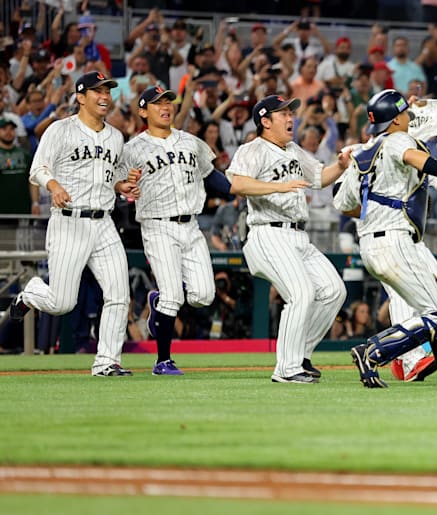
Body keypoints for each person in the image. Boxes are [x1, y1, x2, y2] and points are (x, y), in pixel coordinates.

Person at [341, 89, 437, 388]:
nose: (409, 117)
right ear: (396, 119)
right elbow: (416, 158)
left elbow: (346, 205)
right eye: (405, 113)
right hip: (395, 241)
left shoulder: (362, 152)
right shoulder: (398, 139)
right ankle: (372, 351)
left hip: (377, 240)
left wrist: (380, 207)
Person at [10, 72, 138, 376]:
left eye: (107, 90)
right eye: (97, 91)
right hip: (69, 221)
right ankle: (30, 292)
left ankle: (107, 361)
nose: (105, 96)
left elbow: (114, 178)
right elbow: (37, 168)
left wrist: (122, 187)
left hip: (104, 222)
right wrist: (53, 185)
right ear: (81, 97)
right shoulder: (60, 130)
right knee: (61, 302)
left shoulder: (116, 137)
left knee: (119, 294)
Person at [225, 95, 350, 384]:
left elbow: (319, 177)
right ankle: (286, 368)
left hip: (298, 234)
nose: (290, 117)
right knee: (301, 292)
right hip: (268, 232)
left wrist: (341, 165)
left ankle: (300, 355)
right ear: (265, 121)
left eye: (290, 112)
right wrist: (279, 187)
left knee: (334, 290)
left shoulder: (293, 149)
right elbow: (236, 183)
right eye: (282, 113)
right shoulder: (253, 148)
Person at [121, 86, 235, 376]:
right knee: (174, 296)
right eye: (158, 103)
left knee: (204, 296)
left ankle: (157, 305)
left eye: (169, 102)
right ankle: (163, 361)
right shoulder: (132, 148)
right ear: (143, 111)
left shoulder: (191, 142)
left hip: (192, 226)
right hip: (157, 226)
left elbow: (213, 178)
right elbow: (119, 186)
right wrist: (125, 188)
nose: (166, 107)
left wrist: (243, 190)